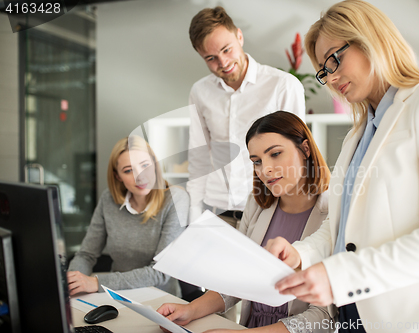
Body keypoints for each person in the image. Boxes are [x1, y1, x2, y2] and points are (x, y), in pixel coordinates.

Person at [265, 1, 419, 333]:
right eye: (324, 70)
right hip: (356, 318)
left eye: (335, 59)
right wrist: (299, 254)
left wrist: (342, 275)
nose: (331, 76)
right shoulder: (357, 135)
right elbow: (341, 232)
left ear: (371, 38)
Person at [157, 111, 335, 333]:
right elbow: (237, 280)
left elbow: (325, 316)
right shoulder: (257, 204)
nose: (265, 170)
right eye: (257, 161)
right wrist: (190, 310)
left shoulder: (333, 211)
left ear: (305, 150)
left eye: (276, 154)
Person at [186, 6, 306, 230]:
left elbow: (297, 157)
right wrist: (193, 217)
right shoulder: (200, 92)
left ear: (239, 36)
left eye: (227, 49)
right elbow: (199, 156)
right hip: (215, 213)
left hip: (266, 212)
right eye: (211, 58)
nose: (222, 62)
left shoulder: (282, 85)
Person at [67, 135, 188, 297]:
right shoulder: (108, 200)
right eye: (128, 170)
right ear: (118, 176)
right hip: (115, 296)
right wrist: (73, 283)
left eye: (145, 165)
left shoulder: (176, 199)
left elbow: (160, 272)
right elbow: (86, 255)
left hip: (160, 301)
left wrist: (96, 282)